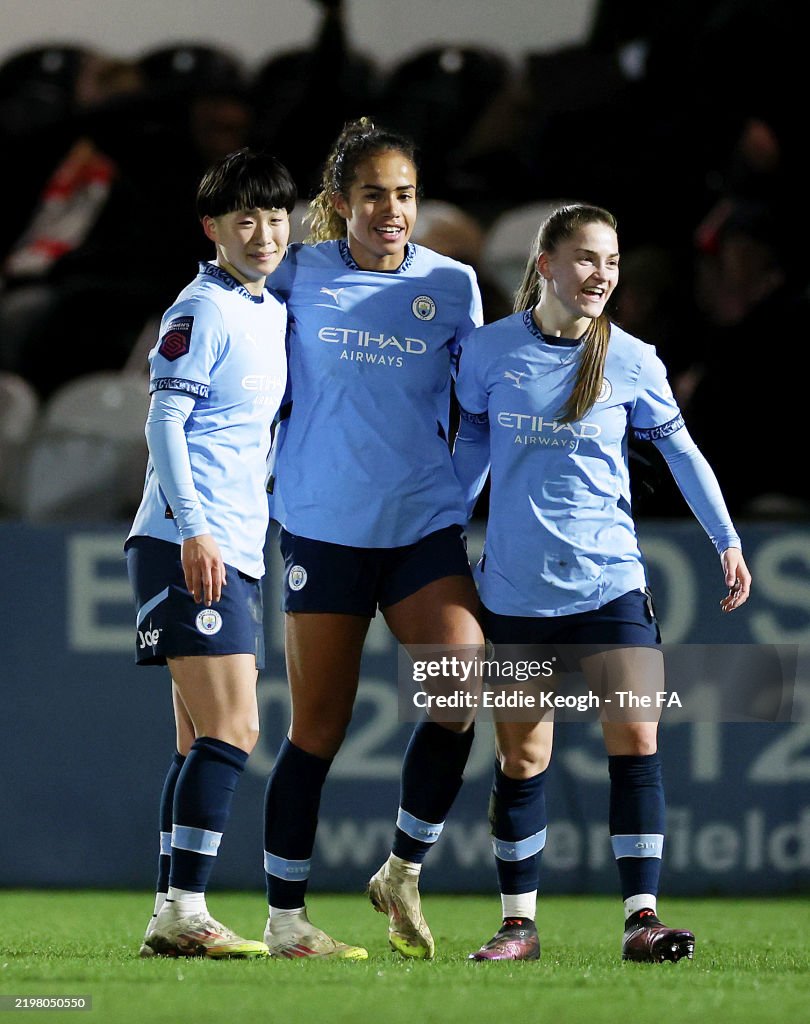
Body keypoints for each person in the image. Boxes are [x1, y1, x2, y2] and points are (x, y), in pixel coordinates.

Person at [451, 203, 751, 962]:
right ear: (546, 264)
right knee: (522, 759)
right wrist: (436, 537)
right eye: (586, 259)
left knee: (637, 737)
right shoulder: (488, 353)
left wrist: (726, 539)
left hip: (610, 583)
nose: (602, 275)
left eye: (611, 263)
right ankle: (518, 926)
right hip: (516, 591)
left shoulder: (634, 359)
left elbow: (682, 454)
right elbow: (470, 460)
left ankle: (642, 919)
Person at [262, 117, 485, 960]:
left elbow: (483, 407)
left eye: (405, 195)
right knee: (319, 727)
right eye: (374, 195)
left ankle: (402, 869)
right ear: (339, 203)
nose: (393, 210)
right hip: (324, 529)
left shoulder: (454, 284)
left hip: (421, 528)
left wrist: (456, 490)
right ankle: (286, 919)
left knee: (461, 689)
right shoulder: (298, 273)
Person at [124, 148, 297, 958]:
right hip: (188, 543)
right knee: (235, 729)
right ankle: (185, 911)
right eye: (245, 220)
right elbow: (163, 423)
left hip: (232, 547)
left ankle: (172, 908)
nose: (263, 233)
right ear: (213, 228)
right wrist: (195, 526)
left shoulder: (266, 307)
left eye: (274, 216)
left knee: (200, 741)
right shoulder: (203, 308)